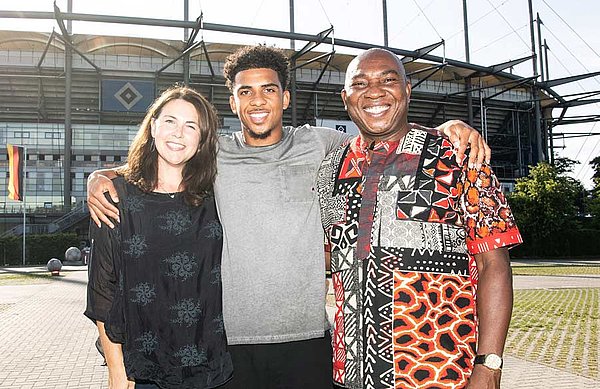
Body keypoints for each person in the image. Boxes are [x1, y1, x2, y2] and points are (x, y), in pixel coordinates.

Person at [87, 46, 491, 389]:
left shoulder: (324, 145)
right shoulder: (214, 154)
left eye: (268, 90)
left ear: (285, 98)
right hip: (228, 344)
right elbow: (165, 161)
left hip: (309, 341)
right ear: (233, 102)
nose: (257, 101)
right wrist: (100, 176)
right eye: (246, 92)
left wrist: (447, 128)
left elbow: (382, 131)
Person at [317, 48, 521, 389]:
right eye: (360, 83)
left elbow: (494, 265)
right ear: (346, 97)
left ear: (407, 90)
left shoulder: (459, 156)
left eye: (388, 80)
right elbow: (331, 258)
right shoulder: (330, 170)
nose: (374, 91)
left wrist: (489, 365)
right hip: (350, 376)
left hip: (442, 373)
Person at [84, 86, 233, 389]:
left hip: (212, 368)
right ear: (152, 126)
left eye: (191, 126)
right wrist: (116, 370)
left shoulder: (216, 194)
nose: (179, 133)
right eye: (170, 122)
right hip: (144, 369)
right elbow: (103, 290)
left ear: (202, 139)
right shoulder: (115, 197)